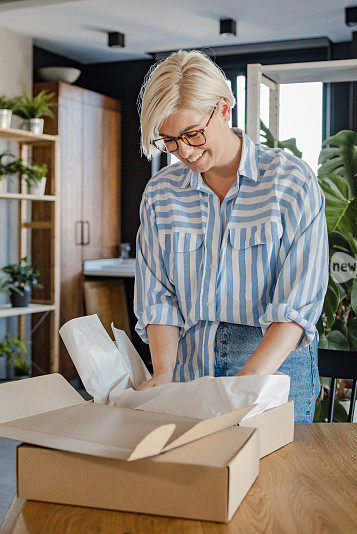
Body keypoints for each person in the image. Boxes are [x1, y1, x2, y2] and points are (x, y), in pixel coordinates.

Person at [133, 50, 329, 423]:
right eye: (169, 141)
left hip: (273, 370)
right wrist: (163, 374)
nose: (184, 152)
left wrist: (248, 384)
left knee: (276, 480)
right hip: (191, 370)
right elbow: (157, 295)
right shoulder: (161, 193)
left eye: (192, 133)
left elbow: (297, 303)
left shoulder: (289, 182)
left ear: (223, 108)